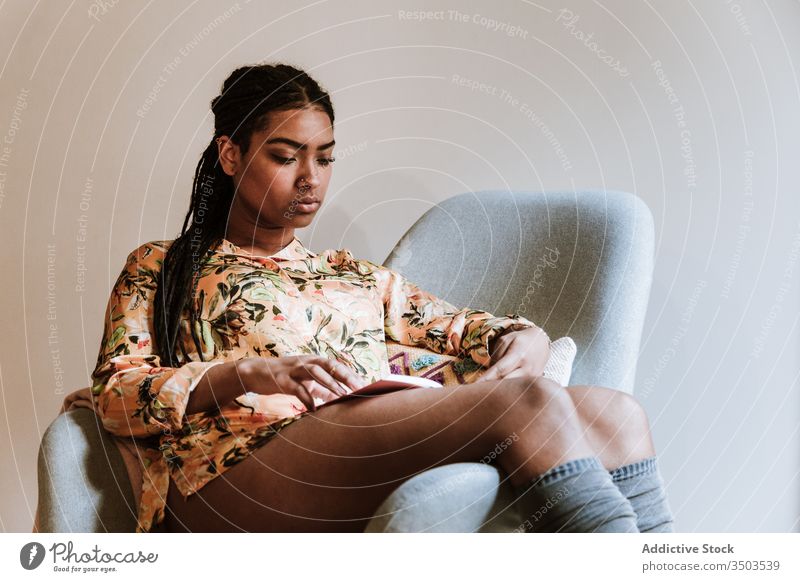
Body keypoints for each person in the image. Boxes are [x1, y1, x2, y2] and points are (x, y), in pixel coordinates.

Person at [90, 63, 674, 534]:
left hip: (352, 437)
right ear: (231, 155)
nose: (310, 178)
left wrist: (526, 336)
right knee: (526, 403)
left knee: (618, 415)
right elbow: (114, 395)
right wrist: (250, 372)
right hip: (231, 467)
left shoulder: (354, 274)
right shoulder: (162, 266)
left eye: (324, 158)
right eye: (286, 156)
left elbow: (468, 327)